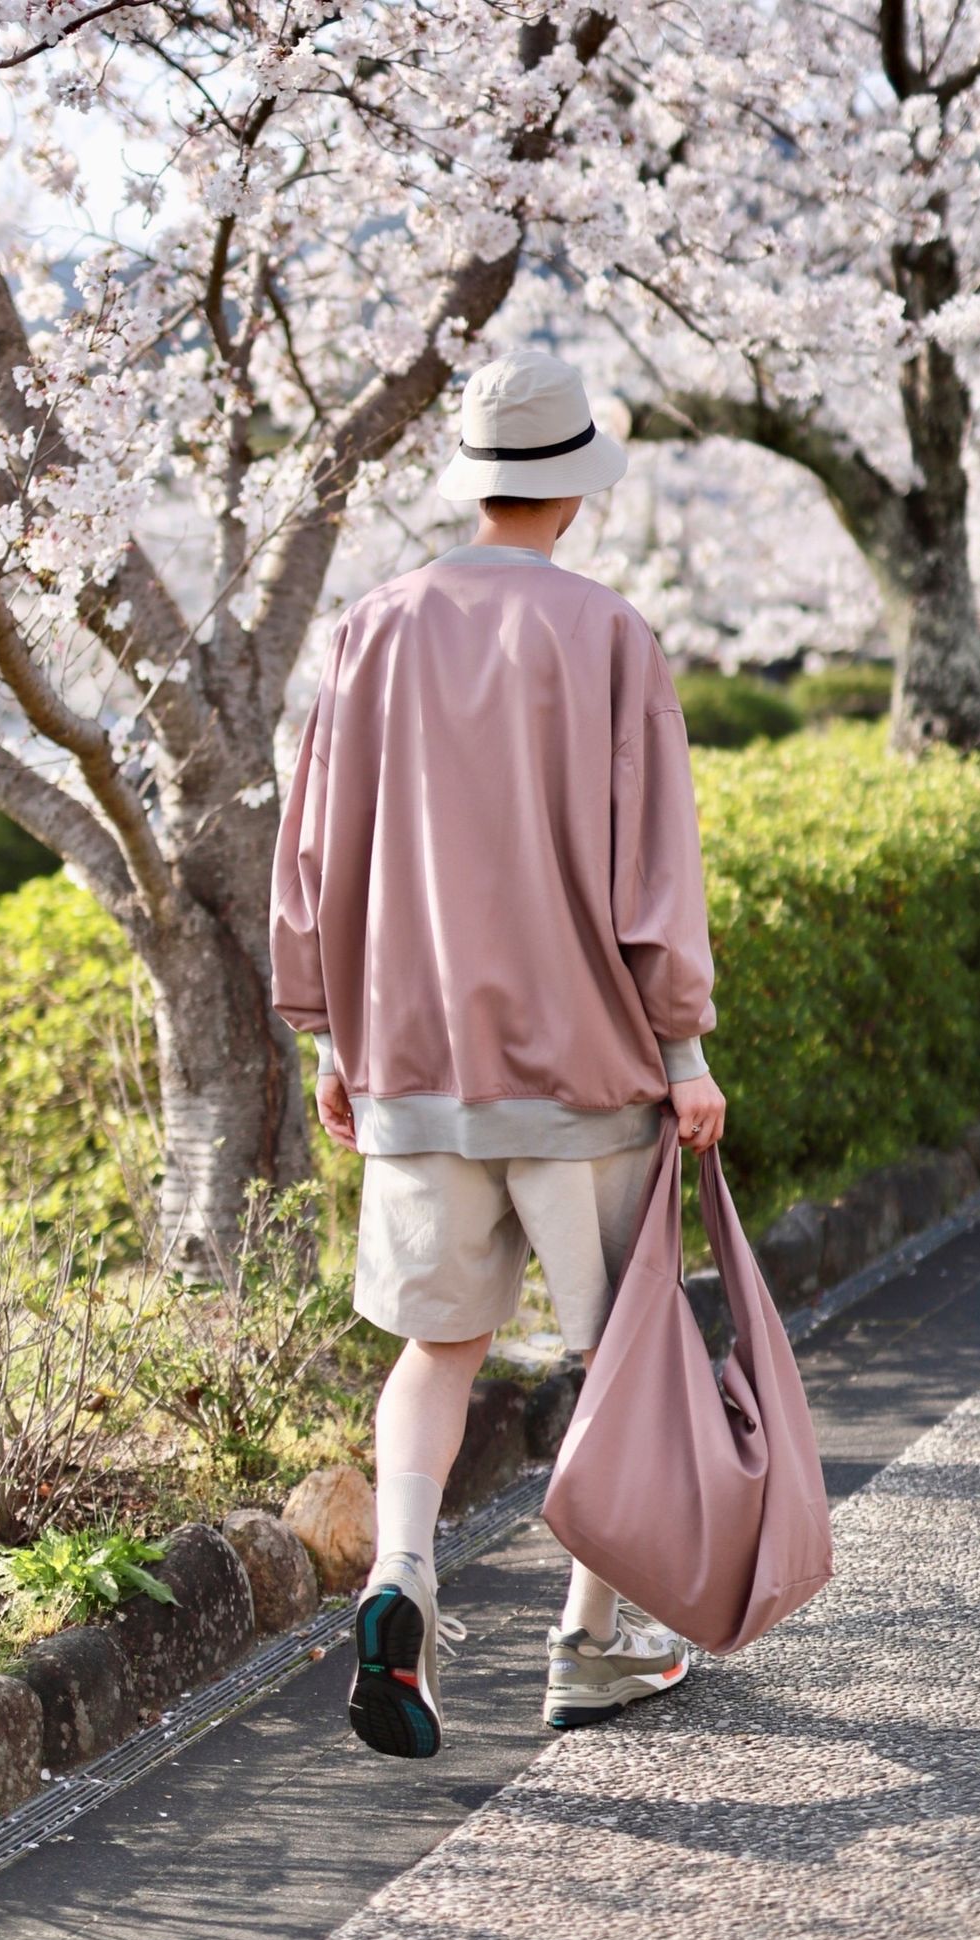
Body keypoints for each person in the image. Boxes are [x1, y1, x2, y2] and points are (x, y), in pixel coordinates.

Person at [269, 346, 726, 1759]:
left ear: (473, 485)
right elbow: (654, 871)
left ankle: (403, 1574)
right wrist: (688, 1049)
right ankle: (591, 1647)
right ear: (575, 494)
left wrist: (329, 1033)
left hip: (411, 1066)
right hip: (584, 1070)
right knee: (619, 1357)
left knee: (437, 1348)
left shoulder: (365, 633)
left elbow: (312, 856)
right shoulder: (610, 638)